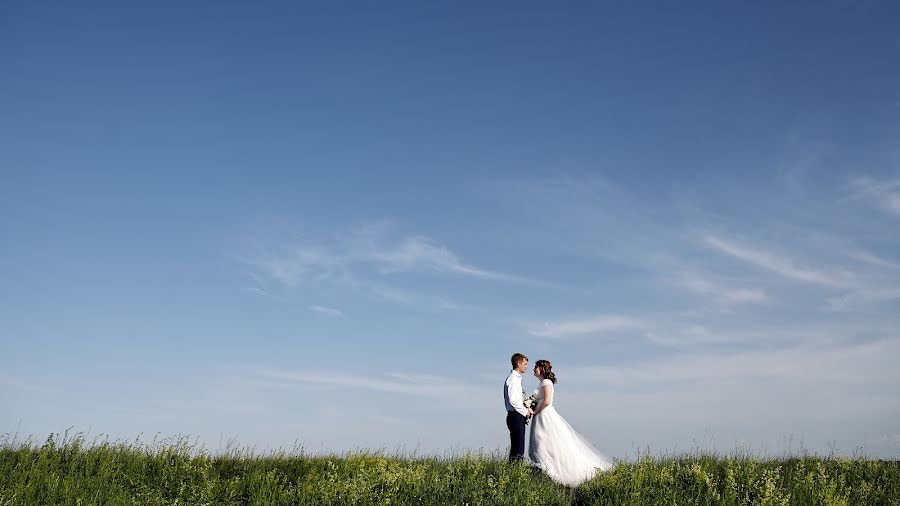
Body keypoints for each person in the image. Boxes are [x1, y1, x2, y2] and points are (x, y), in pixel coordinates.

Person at [528, 359, 614, 486]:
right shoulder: (543, 382)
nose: (533, 369)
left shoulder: (546, 382)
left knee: (543, 441)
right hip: (541, 415)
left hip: (544, 416)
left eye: (536, 367)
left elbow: (546, 401)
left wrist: (535, 411)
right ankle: (544, 470)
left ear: (542, 368)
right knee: (543, 443)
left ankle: (549, 471)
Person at [503, 353, 533, 462]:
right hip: (515, 415)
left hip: (516, 415)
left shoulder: (515, 378)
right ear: (518, 363)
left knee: (517, 446)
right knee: (518, 448)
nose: (526, 366)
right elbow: (513, 400)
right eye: (525, 364)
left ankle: (514, 471)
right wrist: (525, 411)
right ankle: (515, 472)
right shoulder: (513, 379)